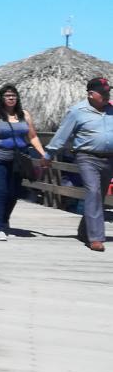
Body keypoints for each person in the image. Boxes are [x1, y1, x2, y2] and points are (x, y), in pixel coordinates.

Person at [45, 77, 113, 251]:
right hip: (87, 157)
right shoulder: (77, 111)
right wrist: (48, 154)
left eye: (108, 92)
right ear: (91, 94)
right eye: (103, 93)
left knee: (99, 196)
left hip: (109, 158)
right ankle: (96, 238)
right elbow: (62, 135)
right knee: (93, 191)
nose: (107, 95)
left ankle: (84, 230)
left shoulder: (112, 110)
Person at [0, 84, 47, 240]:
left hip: (19, 159)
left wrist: (44, 154)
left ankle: (4, 220)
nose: (10, 98)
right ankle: (0, 227)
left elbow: (33, 137)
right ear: (1, 98)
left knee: (13, 193)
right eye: (7, 96)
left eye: (13, 95)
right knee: (1, 191)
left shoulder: (25, 115)